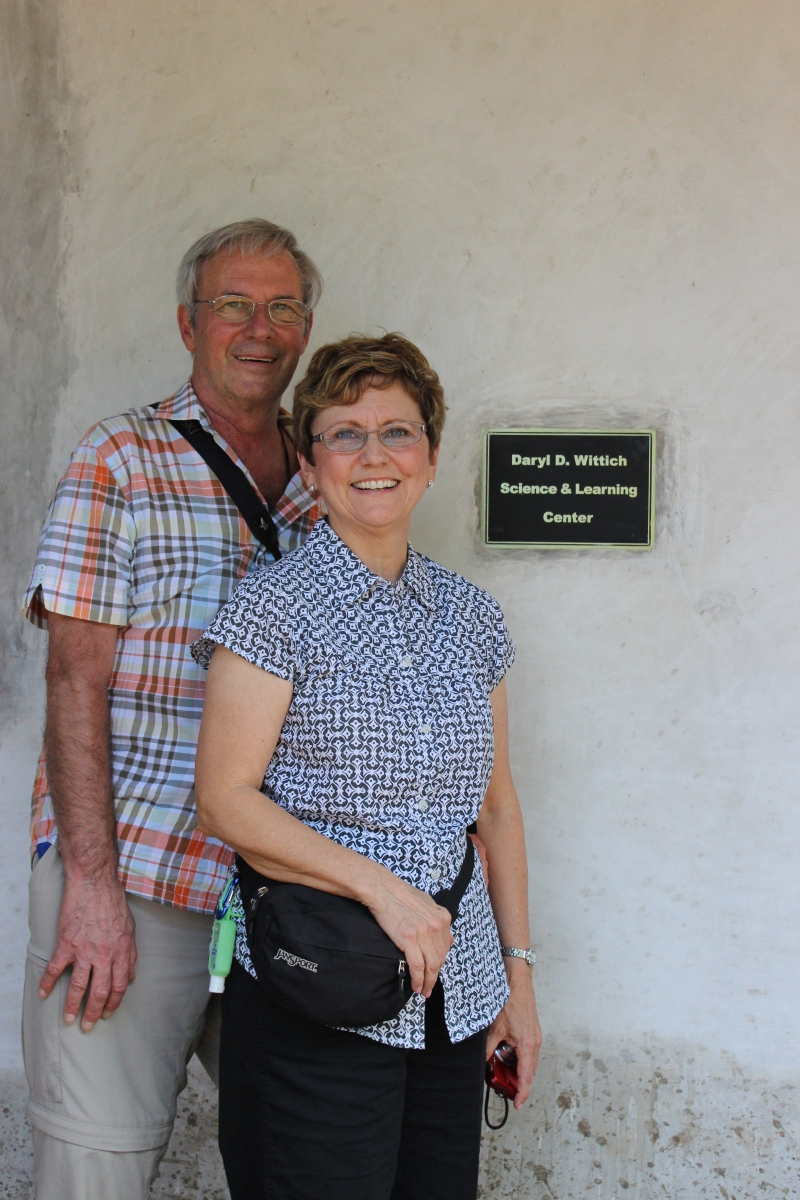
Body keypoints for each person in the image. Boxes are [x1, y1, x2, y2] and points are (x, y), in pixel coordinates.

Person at [192, 332, 543, 1200]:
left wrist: (516, 976)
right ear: (311, 466)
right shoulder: (274, 608)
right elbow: (226, 801)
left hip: (453, 1004)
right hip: (316, 987)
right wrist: (384, 890)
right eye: (344, 433)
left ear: (429, 458)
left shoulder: (471, 617)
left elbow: (494, 809)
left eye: (397, 431)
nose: (373, 454)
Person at [21, 218, 323, 1199]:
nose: (257, 327)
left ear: (305, 327)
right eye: (234, 304)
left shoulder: (327, 475)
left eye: (280, 307)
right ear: (189, 322)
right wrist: (93, 888)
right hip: (141, 880)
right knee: (97, 1167)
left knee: (312, 1162)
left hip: (286, 891)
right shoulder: (122, 457)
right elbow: (74, 679)